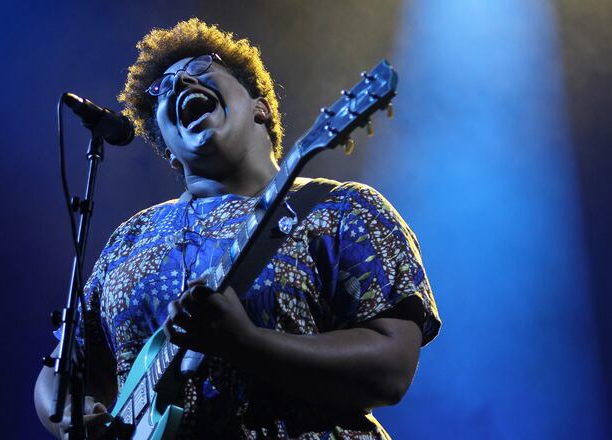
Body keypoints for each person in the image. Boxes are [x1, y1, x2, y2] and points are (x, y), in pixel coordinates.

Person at [35, 18, 441, 439]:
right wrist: (67, 417)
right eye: (163, 89)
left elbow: (391, 368)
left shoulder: (341, 209)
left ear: (260, 106)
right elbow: (59, 371)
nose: (177, 85)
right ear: (170, 153)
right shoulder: (129, 239)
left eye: (199, 69)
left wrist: (247, 344)